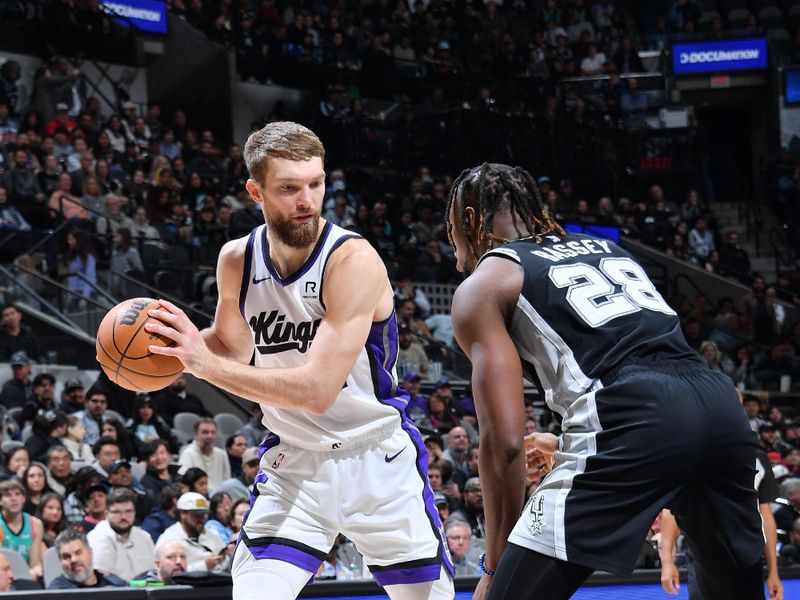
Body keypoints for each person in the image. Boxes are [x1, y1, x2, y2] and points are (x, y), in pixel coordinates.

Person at [146, 121, 453, 599]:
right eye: (289, 188)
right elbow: (230, 344)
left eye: (316, 183)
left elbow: (316, 391)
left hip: (376, 458)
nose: (307, 200)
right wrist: (166, 351)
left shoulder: (353, 260)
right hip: (295, 465)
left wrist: (199, 364)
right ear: (256, 191)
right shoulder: (237, 260)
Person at [445, 163, 764, 599]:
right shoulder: (607, 249)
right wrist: (565, 443)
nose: (452, 245)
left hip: (631, 415)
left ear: (469, 219)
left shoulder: (485, 283)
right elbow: (652, 369)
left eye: (450, 229)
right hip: (718, 403)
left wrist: (494, 565)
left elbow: (503, 444)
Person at [659, 449, 782, 600]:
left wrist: (773, 572)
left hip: (747, 552)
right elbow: (672, 509)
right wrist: (666, 561)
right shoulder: (694, 449)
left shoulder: (757, 456)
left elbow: (766, 516)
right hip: (702, 550)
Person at [87, 488, 156, 583]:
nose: (123, 517)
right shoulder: (97, 538)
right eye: (117, 512)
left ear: (135, 513)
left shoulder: (144, 537)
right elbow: (100, 579)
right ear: (106, 514)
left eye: (128, 511)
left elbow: (154, 572)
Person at [155, 492, 227, 573]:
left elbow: (225, 563)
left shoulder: (212, 535)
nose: (201, 519)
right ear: (182, 513)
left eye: (204, 515)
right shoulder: (168, 539)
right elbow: (165, 573)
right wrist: (204, 566)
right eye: (197, 515)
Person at [49, 528, 127, 589]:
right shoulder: (57, 592)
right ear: (60, 561)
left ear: (90, 553)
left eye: (78, 553)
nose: (74, 560)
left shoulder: (116, 584)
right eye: (66, 557)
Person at [0, 479, 44, 578]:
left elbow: (35, 564)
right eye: (8, 495)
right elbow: (1, 564)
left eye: (17, 494)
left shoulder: (36, 524)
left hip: (28, 575)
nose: (13, 499)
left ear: (24, 498)